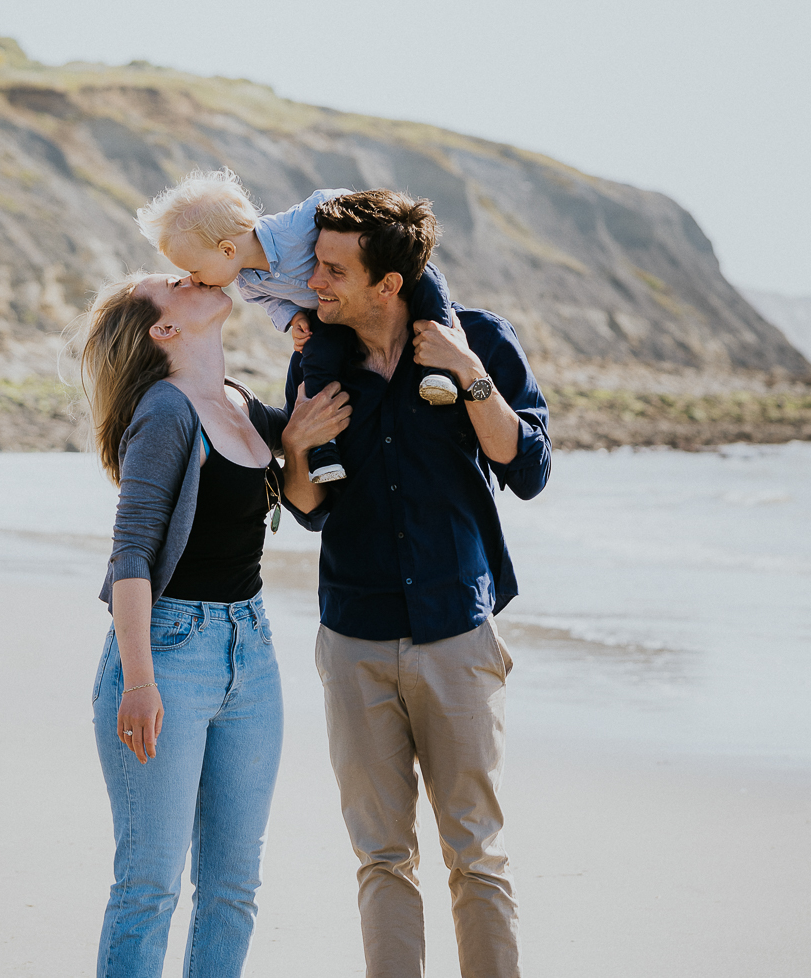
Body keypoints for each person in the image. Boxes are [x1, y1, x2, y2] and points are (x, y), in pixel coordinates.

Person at [280, 190, 552, 978]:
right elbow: (307, 509)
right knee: (381, 855)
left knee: (476, 852)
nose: (314, 283)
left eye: (333, 270)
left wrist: (469, 377)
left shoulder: (481, 340)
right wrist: (296, 446)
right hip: (353, 639)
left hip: (455, 635)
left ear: (388, 283)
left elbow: (528, 470)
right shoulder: (316, 355)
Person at [73, 270, 350, 978]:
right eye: (168, 283)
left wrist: (293, 441)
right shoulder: (166, 411)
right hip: (167, 653)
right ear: (165, 329)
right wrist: (139, 682)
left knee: (233, 888)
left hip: (250, 654)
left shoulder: (239, 403)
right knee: (150, 887)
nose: (189, 275)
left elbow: (300, 504)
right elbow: (130, 552)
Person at [136, 168, 458, 485]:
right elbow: (274, 303)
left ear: (227, 250)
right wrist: (295, 319)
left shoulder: (298, 225)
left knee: (428, 282)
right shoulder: (248, 285)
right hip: (328, 314)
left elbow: (343, 208)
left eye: (195, 269)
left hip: (367, 285)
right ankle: (323, 451)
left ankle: (439, 368)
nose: (194, 279)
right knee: (315, 357)